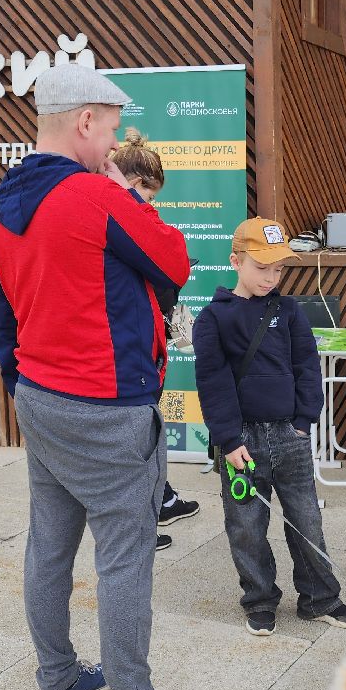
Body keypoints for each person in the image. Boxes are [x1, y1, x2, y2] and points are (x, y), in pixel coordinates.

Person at [0, 63, 212, 690]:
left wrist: (24, 388)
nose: (114, 148)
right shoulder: (95, 197)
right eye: (110, 131)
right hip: (109, 407)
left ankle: (58, 680)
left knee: (49, 543)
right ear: (84, 121)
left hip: (39, 398)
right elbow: (174, 261)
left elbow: (3, 320)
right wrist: (122, 194)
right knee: (124, 555)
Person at [193, 218, 346, 637]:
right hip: (242, 443)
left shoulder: (288, 311)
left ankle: (320, 598)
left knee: (306, 520)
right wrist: (228, 440)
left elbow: (307, 366)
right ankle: (259, 599)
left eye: (278, 269)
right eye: (260, 267)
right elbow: (212, 383)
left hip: (290, 435)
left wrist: (304, 422)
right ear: (236, 261)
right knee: (247, 527)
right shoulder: (213, 318)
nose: (270, 277)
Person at [109, 128, 201, 536]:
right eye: (149, 196)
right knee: (136, 441)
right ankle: (144, 518)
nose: (153, 205)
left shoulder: (130, 217)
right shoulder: (118, 217)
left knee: (146, 434)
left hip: (143, 349)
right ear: (132, 184)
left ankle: (157, 502)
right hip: (127, 356)